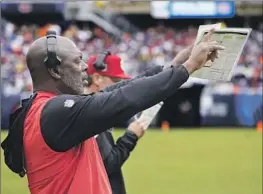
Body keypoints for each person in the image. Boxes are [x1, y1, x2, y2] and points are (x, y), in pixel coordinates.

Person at [1, 29, 224, 194]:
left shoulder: (50, 109)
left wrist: (174, 66)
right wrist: (187, 68)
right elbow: (122, 99)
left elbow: (117, 91)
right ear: (54, 70)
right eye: (78, 61)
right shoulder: (54, 112)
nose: (84, 68)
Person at [85, 53, 151, 194]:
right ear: (97, 78)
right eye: (116, 80)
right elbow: (107, 165)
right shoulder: (90, 112)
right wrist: (131, 136)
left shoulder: (93, 108)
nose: (120, 87)